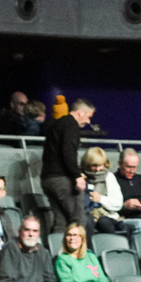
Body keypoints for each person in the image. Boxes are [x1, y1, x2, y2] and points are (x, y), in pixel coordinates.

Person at [41, 98, 93, 232]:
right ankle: (79, 252)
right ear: (81, 112)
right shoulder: (71, 125)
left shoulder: (55, 124)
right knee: (78, 220)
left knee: (61, 222)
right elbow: (68, 150)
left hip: (48, 179)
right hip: (62, 180)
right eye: (88, 117)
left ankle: (57, 251)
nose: (88, 121)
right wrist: (77, 176)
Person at [79, 146, 128, 236]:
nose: (98, 169)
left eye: (100, 165)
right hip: (86, 215)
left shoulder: (109, 177)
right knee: (86, 220)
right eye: (94, 165)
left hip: (107, 216)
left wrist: (101, 199)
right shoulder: (80, 177)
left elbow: (118, 204)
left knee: (104, 222)